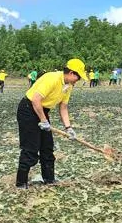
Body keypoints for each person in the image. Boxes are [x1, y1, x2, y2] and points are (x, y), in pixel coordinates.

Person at [15, 58, 88, 189]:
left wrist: (68, 128)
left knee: (47, 147)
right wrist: (43, 120)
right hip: (28, 109)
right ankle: (21, 183)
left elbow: (63, 107)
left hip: (42, 111)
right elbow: (36, 100)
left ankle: (49, 179)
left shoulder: (68, 86)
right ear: (71, 73)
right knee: (31, 148)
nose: (79, 80)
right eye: (78, 77)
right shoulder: (52, 78)